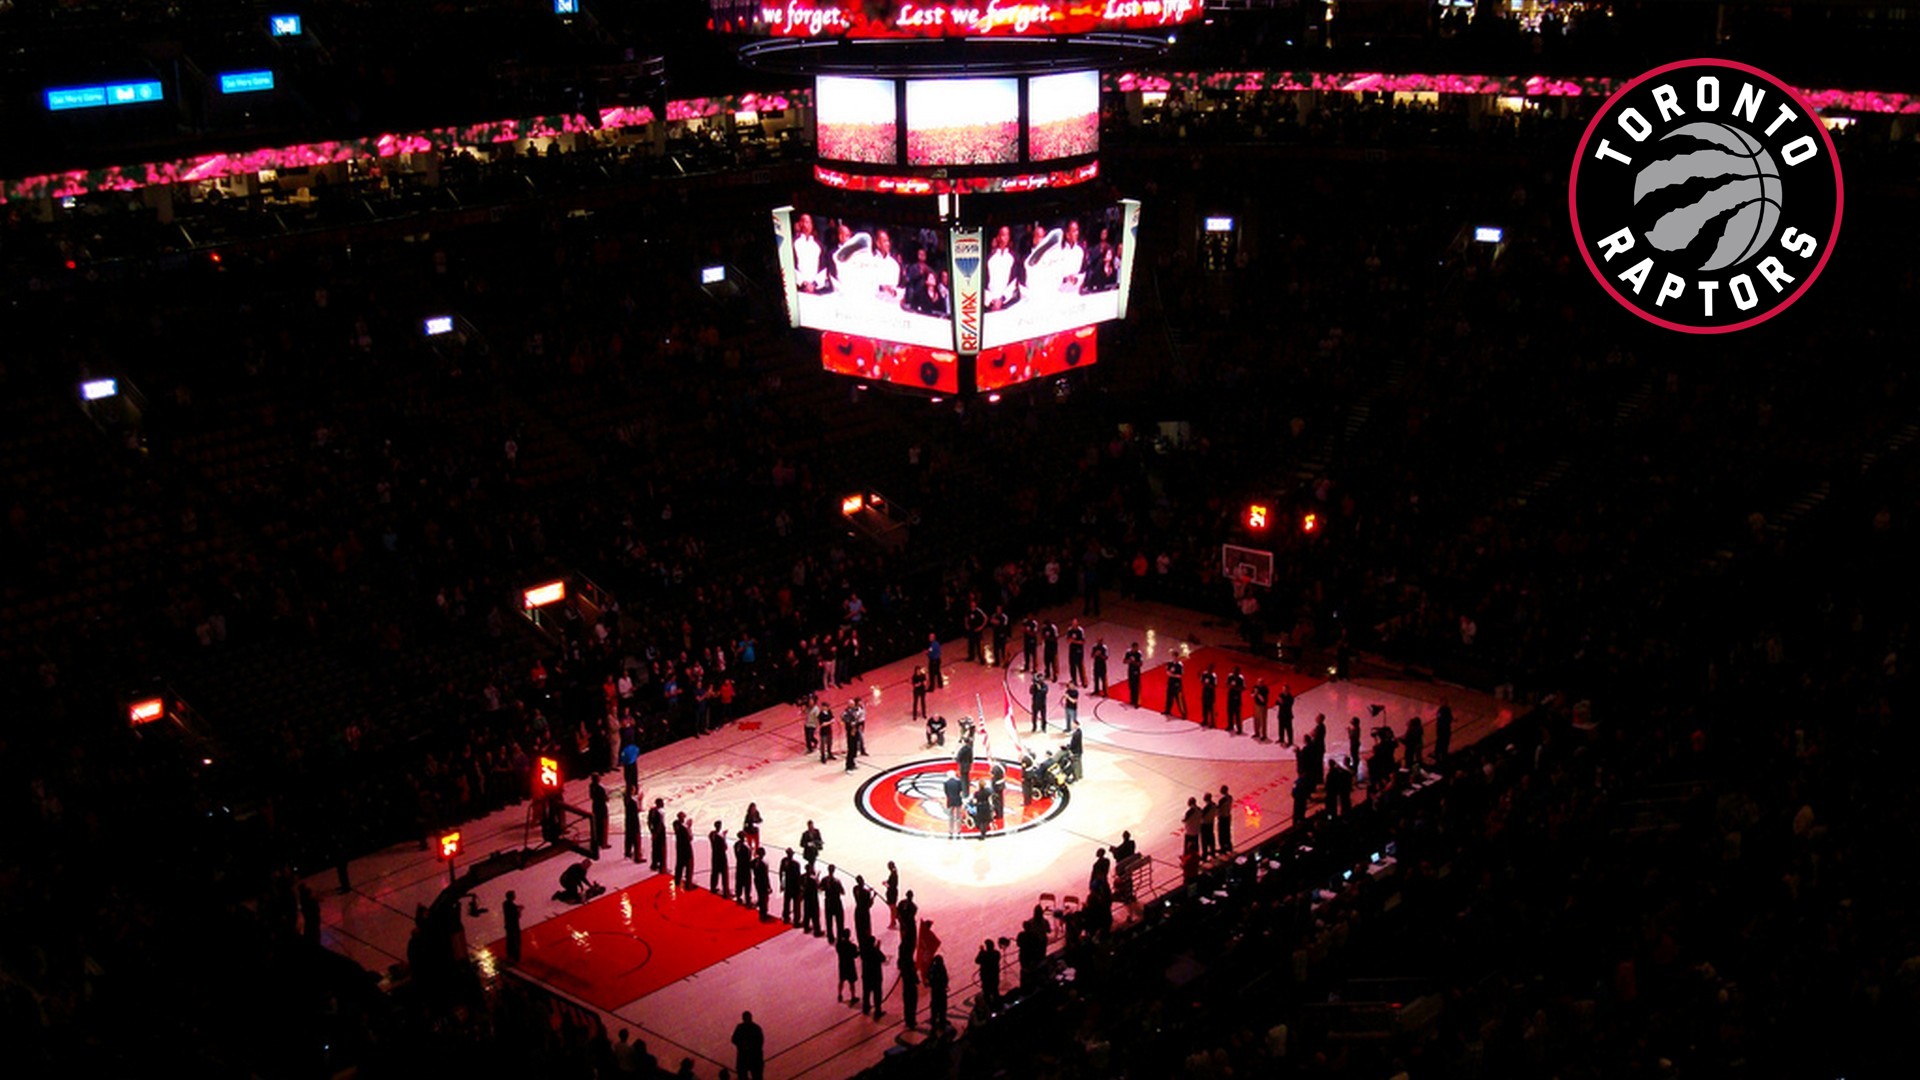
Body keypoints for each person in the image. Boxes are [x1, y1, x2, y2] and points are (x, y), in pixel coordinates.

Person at [732, 1011, 765, 1080]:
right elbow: (734, 1039)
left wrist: (744, 1045)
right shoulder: (755, 1028)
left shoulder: (742, 1028)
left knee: (748, 1075)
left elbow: (734, 1039)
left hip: (749, 1057)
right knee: (754, 1075)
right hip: (752, 1058)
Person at [860, 934, 888, 1016]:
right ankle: (877, 1011)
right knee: (877, 994)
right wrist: (877, 949)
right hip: (875, 976)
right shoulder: (875, 951)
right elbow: (883, 958)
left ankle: (866, 1008)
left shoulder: (864, 951)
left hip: (866, 975)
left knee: (866, 993)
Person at [975, 938, 1001, 1014]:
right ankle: (998, 1007)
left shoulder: (985, 955)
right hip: (995, 977)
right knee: (995, 992)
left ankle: (990, 1010)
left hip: (986, 978)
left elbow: (977, 961)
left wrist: (981, 952)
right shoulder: (996, 953)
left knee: (987, 995)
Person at [822, 865, 846, 941]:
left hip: (828, 901)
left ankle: (830, 937)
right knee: (839, 921)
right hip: (836, 902)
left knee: (829, 921)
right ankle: (840, 937)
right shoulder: (837, 881)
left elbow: (820, 888)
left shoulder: (824, 879)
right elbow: (843, 892)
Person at [835, 928, 860, 1003]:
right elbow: (855, 955)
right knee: (851, 982)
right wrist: (859, 951)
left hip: (842, 964)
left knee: (841, 980)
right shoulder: (852, 946)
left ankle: (839, 995)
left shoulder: (839, 945)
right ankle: (853, 996)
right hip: (850, 965)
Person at [927, 954, 951, 1030]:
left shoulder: (939, 968)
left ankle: (942, 1020)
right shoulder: (934, 970)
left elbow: (945, 977)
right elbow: (931, 980)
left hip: (940, 990)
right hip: (937, 992)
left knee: (942, 1007)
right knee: (937, 1007)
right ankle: (935, 1023)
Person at [673, 813, 696, 888]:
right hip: (686, 847)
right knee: (689, 865)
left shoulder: (676, 825)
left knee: (679, 865)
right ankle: (688, 884)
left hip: (679, 847)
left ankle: (677, 881)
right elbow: (690, 838)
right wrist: (689, 827)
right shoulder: (683, 828)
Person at [779, 848, 802, 924]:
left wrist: (782, 884)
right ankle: (796, 920)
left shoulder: (784, 861)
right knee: (796, 905)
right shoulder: (796, 864)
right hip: (794, 887)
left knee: (787, 902)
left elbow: (782, 874)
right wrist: (800, 887)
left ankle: (786, 917)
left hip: (788, 885)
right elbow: (798, 877)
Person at [589, 774, 611, 851]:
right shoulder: (600, 789)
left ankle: (598, 841)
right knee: (604, 825)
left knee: (597, 824)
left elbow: (591, 796)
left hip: (595, 807)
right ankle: (603, 843)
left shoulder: (591, 786)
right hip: (602, 808)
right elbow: (606, 798)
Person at [709, 821, 730, 895]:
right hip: (721, 857)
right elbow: (725, 847)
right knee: (724, 874)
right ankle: (726, 892)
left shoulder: (711, 834)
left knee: (714, 873)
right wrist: (724, 837)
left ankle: (713, 887)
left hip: (715, 856)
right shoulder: (720, 837)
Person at [852, 874, 874, 945]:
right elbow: (869, 904)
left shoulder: (855, 889)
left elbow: (861, 891)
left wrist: (868, 891)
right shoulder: (866, 893)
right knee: (866, 928)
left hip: (858, 911)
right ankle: (868, 944)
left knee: (859, 929)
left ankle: (861, 944)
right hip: (864, 912)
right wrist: (873, 896)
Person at [622, 787, 642, 864]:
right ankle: (637, 856)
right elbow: (638, 810)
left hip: (628, 820)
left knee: (628, 837)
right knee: (636, 837)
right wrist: (640, 801)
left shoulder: (626, 799)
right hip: (634, 820)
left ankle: (628, 852)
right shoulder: (633, 801)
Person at [944, 768, 966, 837]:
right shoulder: (958, 782)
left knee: (951, 816)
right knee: (958, 816)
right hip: (958, 800)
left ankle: (951, 830)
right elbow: (961, 790)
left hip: (950, 800)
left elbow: (946, 793)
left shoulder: (946, 783)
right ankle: (958, 830)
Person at [752, 847, 773, 919]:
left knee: (761, 896)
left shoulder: (755, 861)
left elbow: (750, 866)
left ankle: (762, 911)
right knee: (764, 898)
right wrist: (769, 886)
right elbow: (765, 876)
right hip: (762, 882)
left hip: (757, 880)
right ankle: (763, 913)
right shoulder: (763, 864)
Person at [502, 890, 522, 964]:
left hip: (508, 925)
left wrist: (517, 907)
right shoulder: (512, 907)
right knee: (515, 941)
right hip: (514, 926)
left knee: (509, 941)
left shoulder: (505, 904)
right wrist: (519, 910)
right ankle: (516, 957)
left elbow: (512, 906)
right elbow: (517, 916)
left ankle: (510, 955)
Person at [1164, 655, 1187, 719]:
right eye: (1173, 657)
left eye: (1176, 657)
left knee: (1179, 699)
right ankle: (1167, 710)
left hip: (1177, 684)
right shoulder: (1170, 663)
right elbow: (1167, 672)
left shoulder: (1180, 665)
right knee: (1169, 697)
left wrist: (1172, 675)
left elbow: (1180, 676)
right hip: (1170, 682)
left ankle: (1183, 713)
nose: (1174, 658)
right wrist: (1170, 674)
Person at [648, 798, 668, 872]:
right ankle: (662, 867)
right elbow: (660, 824)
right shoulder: (661, 812)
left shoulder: (652, 811)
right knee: (662, 849)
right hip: (660, 832)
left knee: (655, 848)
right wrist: (656, 833)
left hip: (654, 831)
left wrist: (652, 831)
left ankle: (654, 864)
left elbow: (649, 822)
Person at [733, 832, 754, 904]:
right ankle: (747, 898)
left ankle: (739, 895)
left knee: (739, 881)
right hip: (746, 867)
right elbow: (749, 857)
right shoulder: (746, 846)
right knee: (747, 883)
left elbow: (736, 855)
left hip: (739, 865)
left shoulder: (736, 845)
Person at [1066, 619, 1087, 686]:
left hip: (1079, 650)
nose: (1074, 626)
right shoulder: (1069, 630)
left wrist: (1074, 641)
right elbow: (1068, 640)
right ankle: (1074, 680)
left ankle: (1083, 681)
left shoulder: (1080, 631)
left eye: (1075, 625)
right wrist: (1071, 641)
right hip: (1072, 650)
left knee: (1080, 666)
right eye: (1073, 624)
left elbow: (1083, 642)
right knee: (1072, 666)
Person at [1225, 667, 1246, 734]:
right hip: (1230, 697)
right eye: (1234, 671)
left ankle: (1239, 728)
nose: (1235, 673)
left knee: (1237, 714)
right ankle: (1230, 725)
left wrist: (1236, 688)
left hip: (1237, 698)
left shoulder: (1241, 678)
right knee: (1230, 712)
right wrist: (1230, 686)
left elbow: (1243, 688)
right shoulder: (1230, 676)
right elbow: (1226, 684)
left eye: (1237, 672)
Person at [1200, 792, 1219, 858]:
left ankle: (1205, 855)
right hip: (1211, 823)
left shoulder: (1207, 807)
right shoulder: (1214, 805)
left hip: (1205, 824)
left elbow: (1201, 816)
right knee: (1211, 838)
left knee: (1204, 841)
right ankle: (1212, 852)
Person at [1216, 784, 1235, 854]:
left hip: (1222, 817)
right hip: (1228, 816)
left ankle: (1223, 848)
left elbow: (1218, 809)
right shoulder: (1230, 797)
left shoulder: (1222, 800)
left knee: (1221, 834)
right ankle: (1229, 846)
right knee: (1227, 832)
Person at [1199, 664, 1218, 728]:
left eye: (1211, 669)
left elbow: (1214, 685)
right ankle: (1205, 720)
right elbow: (1202, 681)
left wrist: (1209, 685)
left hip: (1211, 694)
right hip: (1205, 692)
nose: (1209, 670)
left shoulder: (1214, 676)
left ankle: (1213, 722)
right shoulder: (1204, 674)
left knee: (1211, 708)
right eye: (1208, 668)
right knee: (1204, 707)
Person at [884, 861, 900, 927]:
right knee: (893, 908)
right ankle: (894, 920)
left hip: (892, 893)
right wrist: (887, 882)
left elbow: (891, 886)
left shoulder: (893, 874)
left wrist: (885, 884)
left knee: (892, 908)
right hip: (893, 893)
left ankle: (893, 922)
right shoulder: (894, 873)